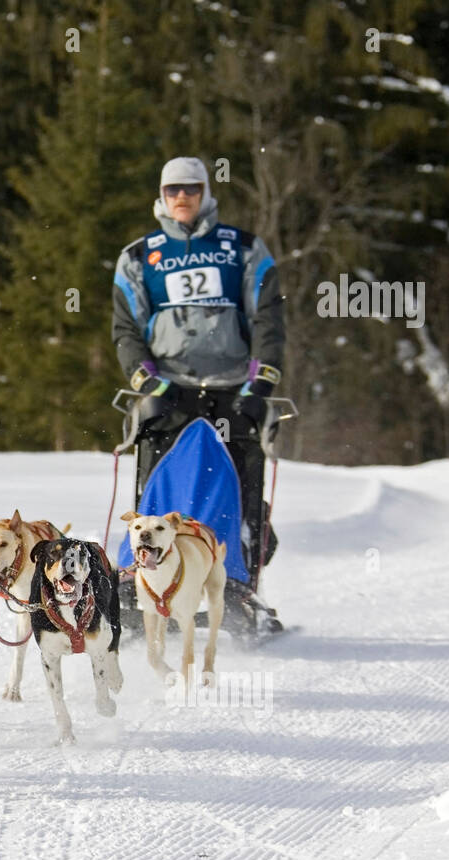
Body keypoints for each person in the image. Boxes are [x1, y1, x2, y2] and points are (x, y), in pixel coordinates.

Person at [111, 156, 286, 593]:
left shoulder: (242, 247)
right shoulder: (138, 255)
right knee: (160, 490)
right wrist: (146, 381)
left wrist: (262, 381)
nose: (182, 197)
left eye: (191, 188)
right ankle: (145, 581)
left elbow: (267, 316)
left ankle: (239, 579)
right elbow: (126, 327)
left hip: (233, 388)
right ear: (162, 196)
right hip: (170, 388)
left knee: (237, 487)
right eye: (173, 190)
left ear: (206, 192)